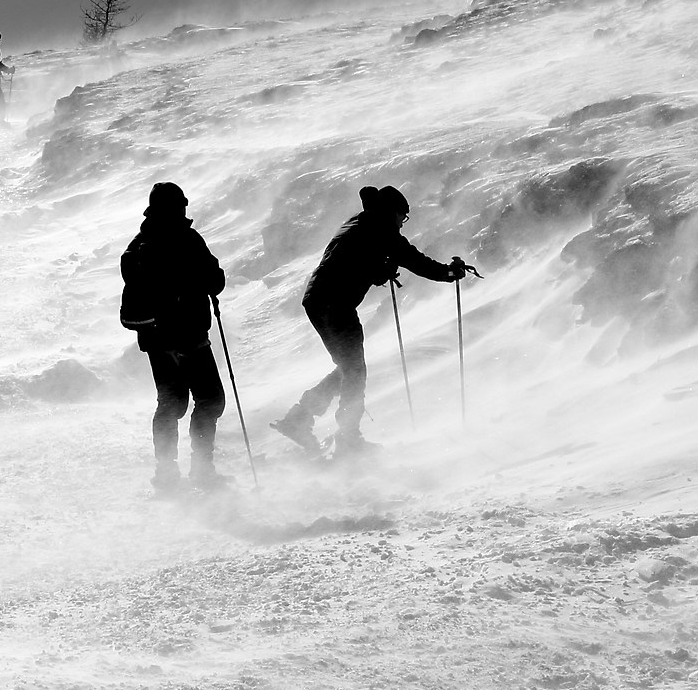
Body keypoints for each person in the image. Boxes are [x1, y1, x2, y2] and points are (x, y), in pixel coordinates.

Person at [272, 185, 466, 458]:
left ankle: (301, 418)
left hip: (317, 299)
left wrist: (376, 270)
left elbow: (350, 258)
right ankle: (347, 439)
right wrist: (448, 272)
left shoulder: (358, 222)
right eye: (402, 216)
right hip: (336, 303)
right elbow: (416, 261)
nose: (402, 223)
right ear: (393, 212)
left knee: (348, 367)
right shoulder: (383, 229)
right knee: (354, 371)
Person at [118, 181, 229, 492]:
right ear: (179, 206)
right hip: (190, 337)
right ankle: (202, 470)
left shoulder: (138, 245)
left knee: (170, 404)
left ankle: (166, 473)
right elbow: (216, 281)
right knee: (210, 400)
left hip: (156, 341)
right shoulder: (186, 239)